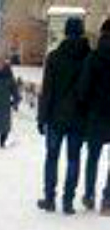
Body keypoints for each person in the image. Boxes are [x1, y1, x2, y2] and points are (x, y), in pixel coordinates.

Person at [37, 14, 91, 213]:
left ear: (66, 32)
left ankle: (50, 198)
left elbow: (47, 91)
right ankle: (68, 201)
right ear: (82, 32)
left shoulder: (54, 57)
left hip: (55, 117)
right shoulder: (89, 57)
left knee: (52, 157)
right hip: (79, 118)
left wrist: (42, 117)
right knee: (73, 159)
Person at [78, 17, 110, 212]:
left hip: (95, 115)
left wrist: (87, 106)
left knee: (93, 157)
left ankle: (89, 195)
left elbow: (83, 89)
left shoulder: (93, 57)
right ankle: (108, 199)